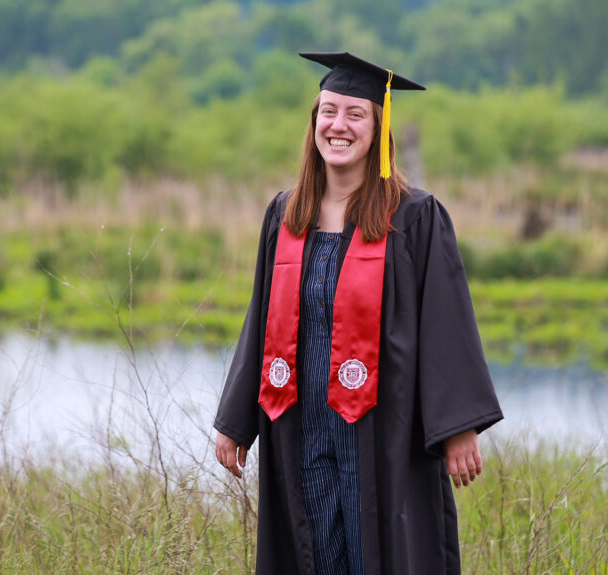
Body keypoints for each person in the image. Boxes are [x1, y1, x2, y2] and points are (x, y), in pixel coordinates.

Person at [213, 52, 503, 575]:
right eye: (328, 112)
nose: (338, 126)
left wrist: (459, 426)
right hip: (300, 424)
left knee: (379, 553)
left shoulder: (413, 217)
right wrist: (235, 420)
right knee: (314, 554)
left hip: (383, 429)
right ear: (314, 123)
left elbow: (446, 322)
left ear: (378, 129)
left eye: (355, 114)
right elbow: (262, 320)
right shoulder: (286, 215)